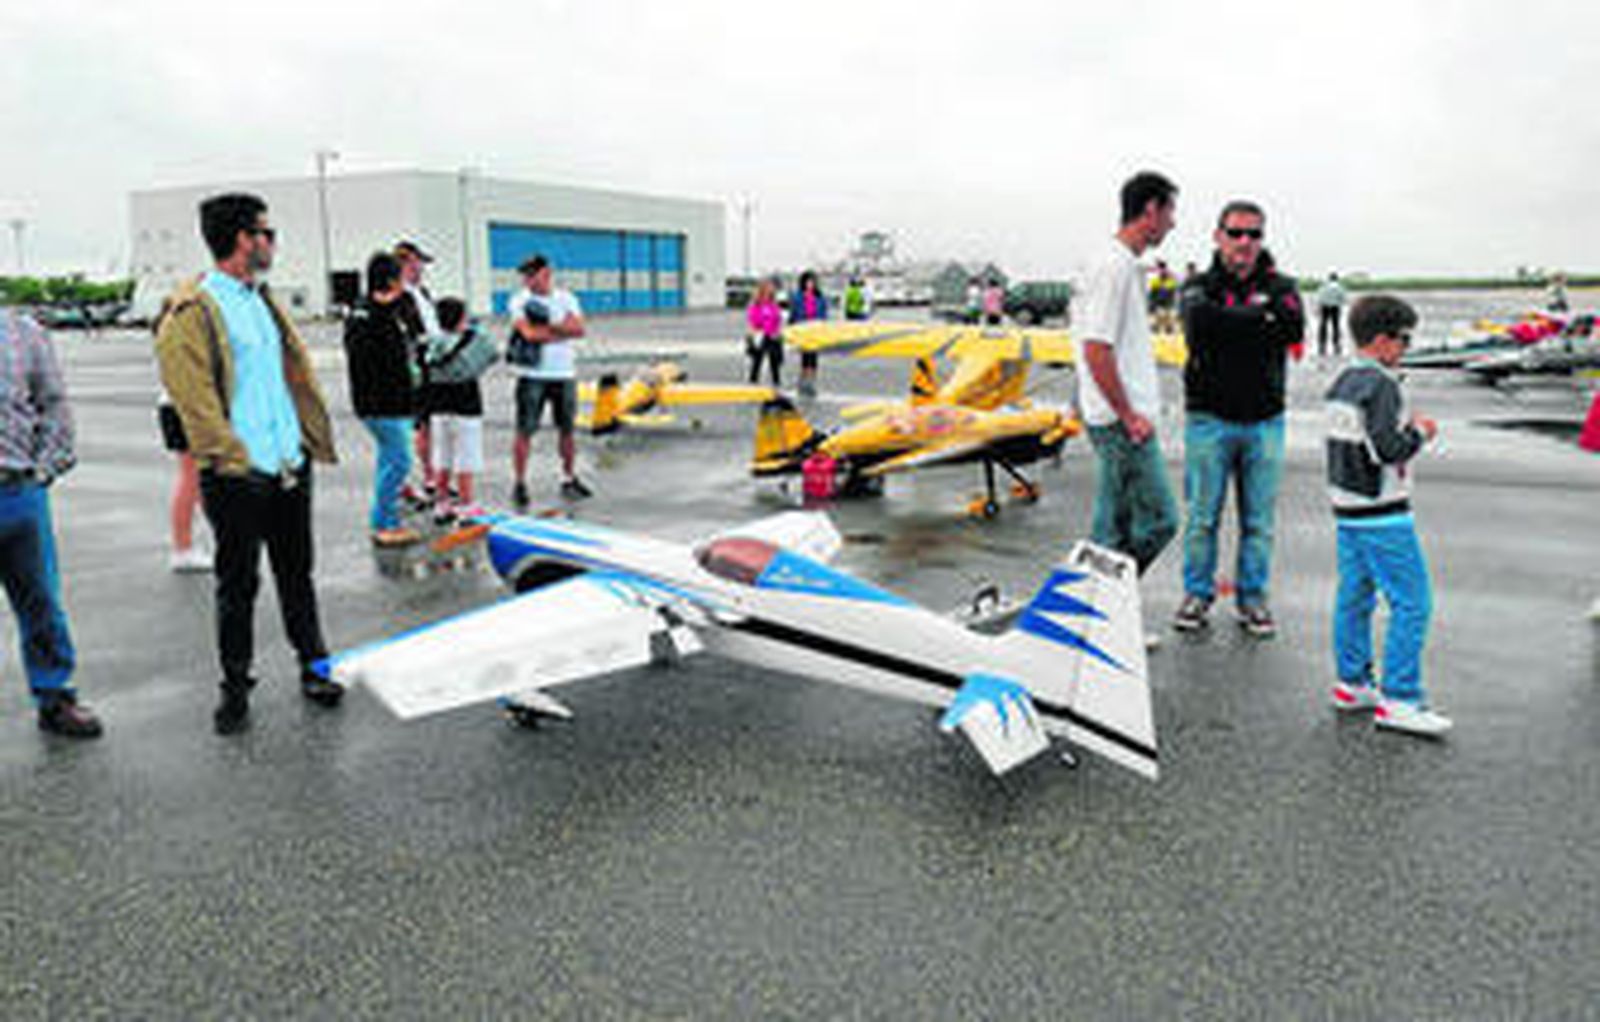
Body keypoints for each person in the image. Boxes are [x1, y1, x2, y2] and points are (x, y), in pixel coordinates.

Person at [155, 192, 342, 735]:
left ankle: (315, 666)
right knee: (238, 586)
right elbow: (194, 401)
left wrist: (300, 447)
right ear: (243, 239)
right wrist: (233, 459)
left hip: (288, 464)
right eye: (267, 232)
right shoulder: (192, 311)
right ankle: (235, 688)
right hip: (237, 474)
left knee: (297, 575)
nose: (272, 242)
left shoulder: (261, 299)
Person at [1172, 201, 1305, 638]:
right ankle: (1197, 594)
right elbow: (1199, 328)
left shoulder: (1283, 285)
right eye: (1236, 233)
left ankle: (1252, 599)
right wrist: (1260, 321)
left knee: (1258, 523)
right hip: (1209, 419)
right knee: (1202, 519)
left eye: (1254, 234)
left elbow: (1291, 329)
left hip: (1265, 421)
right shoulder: (1197, 285)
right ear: (1218, 236)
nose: (1245, 242)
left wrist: (1230, 325)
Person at [1324, 294, 1450, 737]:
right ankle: (1400, 698)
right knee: (1412, 602)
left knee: (1355, 597)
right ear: (1382, 341)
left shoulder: (1343, 381)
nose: (1406, 348)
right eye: (1404, 340)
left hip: (1347, 508)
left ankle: (1352, 683)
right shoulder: (1381, 385)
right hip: (1382, 512)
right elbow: (1388, 450)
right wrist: (1420, 432)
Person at [1075, 171, 1181, 604]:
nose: (1173, 223)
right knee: (1159, 521)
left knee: (1111, 528)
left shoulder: (1117, 263)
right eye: (1170, 212)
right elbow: (1096, 348)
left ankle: (1091, 612)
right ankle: (1098, 605)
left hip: (1114, 416)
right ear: (1150, 210)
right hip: (1121, 423)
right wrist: (1128, 415)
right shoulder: (1114, 266)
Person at [1, 308, 103, 737]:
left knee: (40, 600)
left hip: (17, 491)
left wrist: (43, 470)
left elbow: (53, 403)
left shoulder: (23, 332)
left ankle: (55, 694)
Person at [343, 252, 421, 547]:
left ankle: (386, 518)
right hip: (382, 403)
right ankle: (384, 523)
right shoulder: (370, 317)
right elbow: (372, 364)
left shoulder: (375, 311)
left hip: (386, 401)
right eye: (400, 277)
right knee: (399, 462)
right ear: (391, 281)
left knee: (389, 461)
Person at [507, 254, 590, 506]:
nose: (529, 280)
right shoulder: (520, 300)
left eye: (533, 275)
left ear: (547, 273)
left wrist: (548, 329)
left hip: (564, 374)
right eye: (526, 276)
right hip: (532, 375)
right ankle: (520, 482)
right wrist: (563, 329)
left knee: (567, 430)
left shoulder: (567, 298)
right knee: (524, 431)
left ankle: (568, 477)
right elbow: (529, 334)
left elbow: (580, 329)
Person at [154, 292, 212, 573]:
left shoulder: (170, 333)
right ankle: (183, 548)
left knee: (199, 479)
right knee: (192, 479)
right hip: (182, 409)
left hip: (176, 407)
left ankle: (189, 544)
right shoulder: (179, 335)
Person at [426, 297, 487, 520]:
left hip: (438, 405)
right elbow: (489, 356)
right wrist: (473, 332)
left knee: (442, 454)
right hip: (465, 405)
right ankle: (466, 502)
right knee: (466, 456)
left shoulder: (433, 342)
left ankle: (441, 501)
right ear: (462, 318)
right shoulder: (470, 341)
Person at [393, 241, 439, 508]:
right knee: (406, 426)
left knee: (426, 424)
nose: (421, 268)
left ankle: (430, 477)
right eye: (417, 263)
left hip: (430, 364)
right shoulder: (396, 295)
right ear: (404, 263)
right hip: (412, 368)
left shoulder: (422, 292)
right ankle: (401, 484)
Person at [789, 271, 828, 397]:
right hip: (803, 330)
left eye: (812, 282)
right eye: (808, 282)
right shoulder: (798, 297)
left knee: (814, 358)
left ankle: (811, 383)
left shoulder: (820, 297)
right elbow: (793, 314)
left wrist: (823, 327)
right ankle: (803, 382)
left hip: (815, 330)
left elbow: (824, 313)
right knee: (805, 358)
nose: (810, 284)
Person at [745, 278, 784, 386]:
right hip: (760, 335)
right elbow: (753, 320)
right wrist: (758, 329)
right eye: (766, 290)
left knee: (774, 361)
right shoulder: (756, 305)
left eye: (770, 291)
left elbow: (777, 319)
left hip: (772, 336)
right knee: (757, 360)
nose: (768, 293)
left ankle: (776, 382)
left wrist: (776, 332)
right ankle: (753, 381)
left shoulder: (773, 305)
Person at [1316, 271, 1347, 358]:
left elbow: (1319, 298)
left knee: (1323, 325)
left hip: (1324, 307)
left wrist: (1318, 308)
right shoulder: (1340, 287)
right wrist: (1338, 302)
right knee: (1336, 326)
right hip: (1335, 308)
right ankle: (1336, 345)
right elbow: (1344, 299)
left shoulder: (1323, 286)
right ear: (1336, 279)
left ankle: (1322, 345)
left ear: (1329, 278)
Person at [1147, 260, 1179, 334]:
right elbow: (1152, 296)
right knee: (1156, 318)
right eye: (1159, 269)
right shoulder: (1154, 281)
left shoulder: (1171, 280)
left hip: (1168, 303)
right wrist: (1152, 306)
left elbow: (1172, 294)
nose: (1161, 271)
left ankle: (1169, 328)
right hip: (1158, 303)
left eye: (1162, 269)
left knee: (1169, 317)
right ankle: (1156, 328)